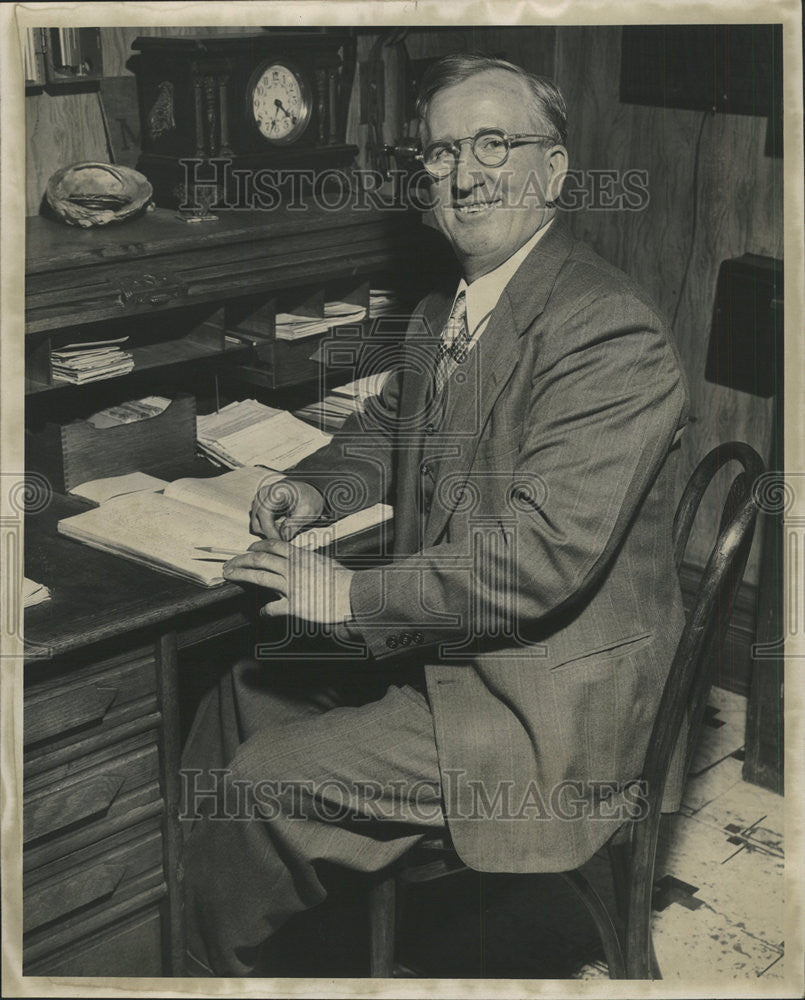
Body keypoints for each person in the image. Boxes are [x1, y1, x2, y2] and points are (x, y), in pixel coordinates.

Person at [181, 53, 689, 976]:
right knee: (238, 693)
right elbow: (382, 434)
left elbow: (537, 558)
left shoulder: (608, 332)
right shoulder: (444, 313)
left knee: (258, 785)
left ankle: (218, 971)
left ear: (556, 171)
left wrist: (349, 596)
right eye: (442, 152)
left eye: (495, 142)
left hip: (541, 704)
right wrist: (314, 488)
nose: (464, 173)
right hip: (453, 651)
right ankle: (244, 945)